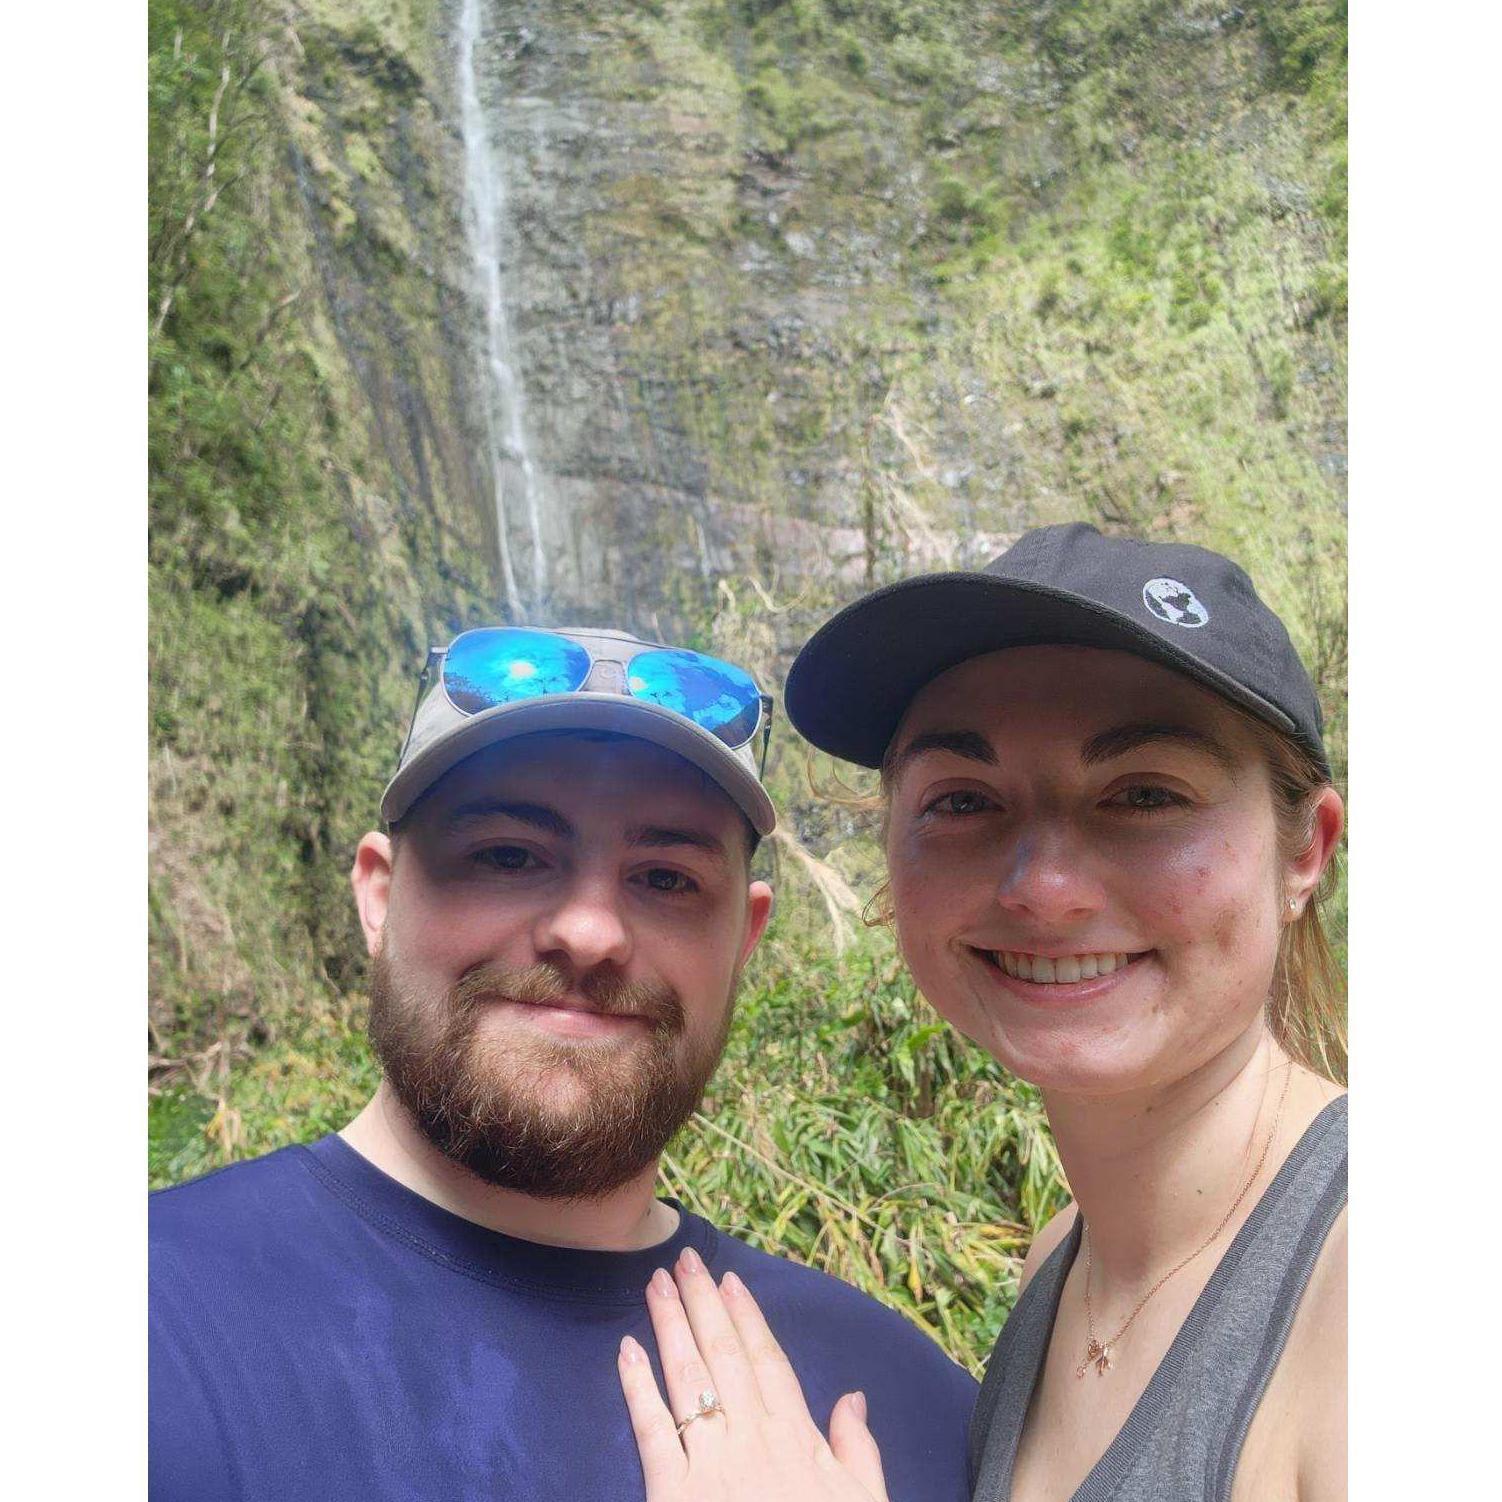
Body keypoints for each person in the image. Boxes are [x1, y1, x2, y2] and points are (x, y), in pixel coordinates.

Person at [149, 625, 978, 1502]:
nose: (589, 932)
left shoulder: (904, 1408)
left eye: (665, 878)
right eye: (508, 855)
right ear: (380, 897)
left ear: (744, 938)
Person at [615, 524, 1347, 1502]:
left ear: (1304, 851)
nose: (1041, 886)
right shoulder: (1059, 1261)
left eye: (1142, 793)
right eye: (962, 801)